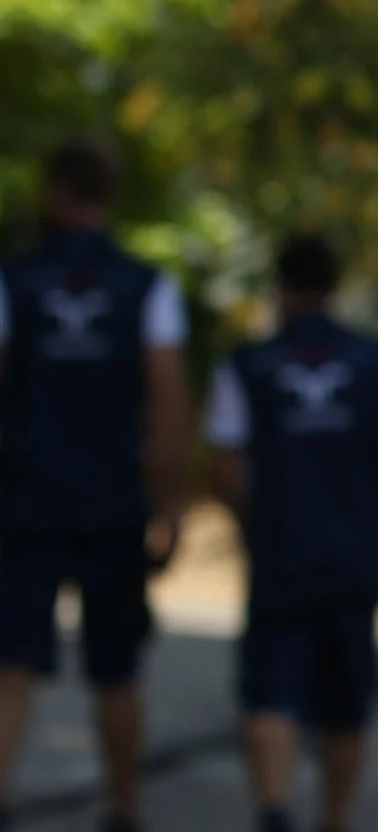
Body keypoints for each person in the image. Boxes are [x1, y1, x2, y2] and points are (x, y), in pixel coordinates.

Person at [201, 235, 378, 832]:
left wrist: (251, 517)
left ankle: (276, 809)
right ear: (335, 288)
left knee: (270, 686)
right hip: (356, 549)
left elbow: (227, 460)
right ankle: (334, 819)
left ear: (279, 288)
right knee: (348, 695)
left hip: (281, 547)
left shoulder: (248, 363)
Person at [0, 140, 191, 832]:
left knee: (11, 661)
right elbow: (167, 401)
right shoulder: (146, 286)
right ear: (109, 196)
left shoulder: (13, 279)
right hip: (113, 501)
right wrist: (171, 502)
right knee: (118, 668)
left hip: (23, 499)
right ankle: (125, 807)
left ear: (54, 190)